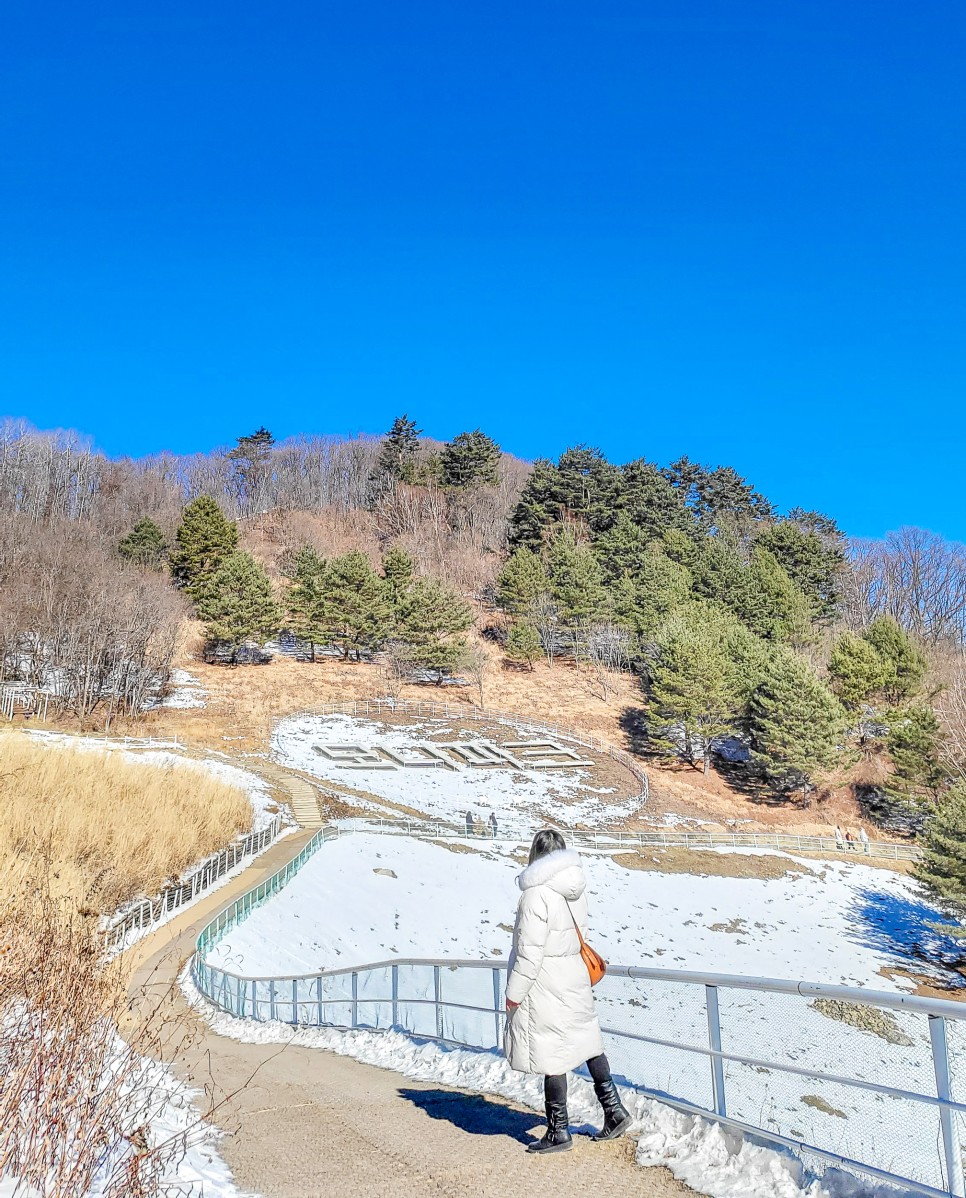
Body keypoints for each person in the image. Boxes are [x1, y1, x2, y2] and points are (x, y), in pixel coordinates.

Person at [503, 829, 631, 1153]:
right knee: (588, 1042)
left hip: (547, 982)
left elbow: (529, 954)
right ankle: (614, 1111)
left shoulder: (535, 896)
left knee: (552, 1053)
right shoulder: (575, 890)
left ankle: (558, 1130)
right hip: (574, 977)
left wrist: (513, 993)